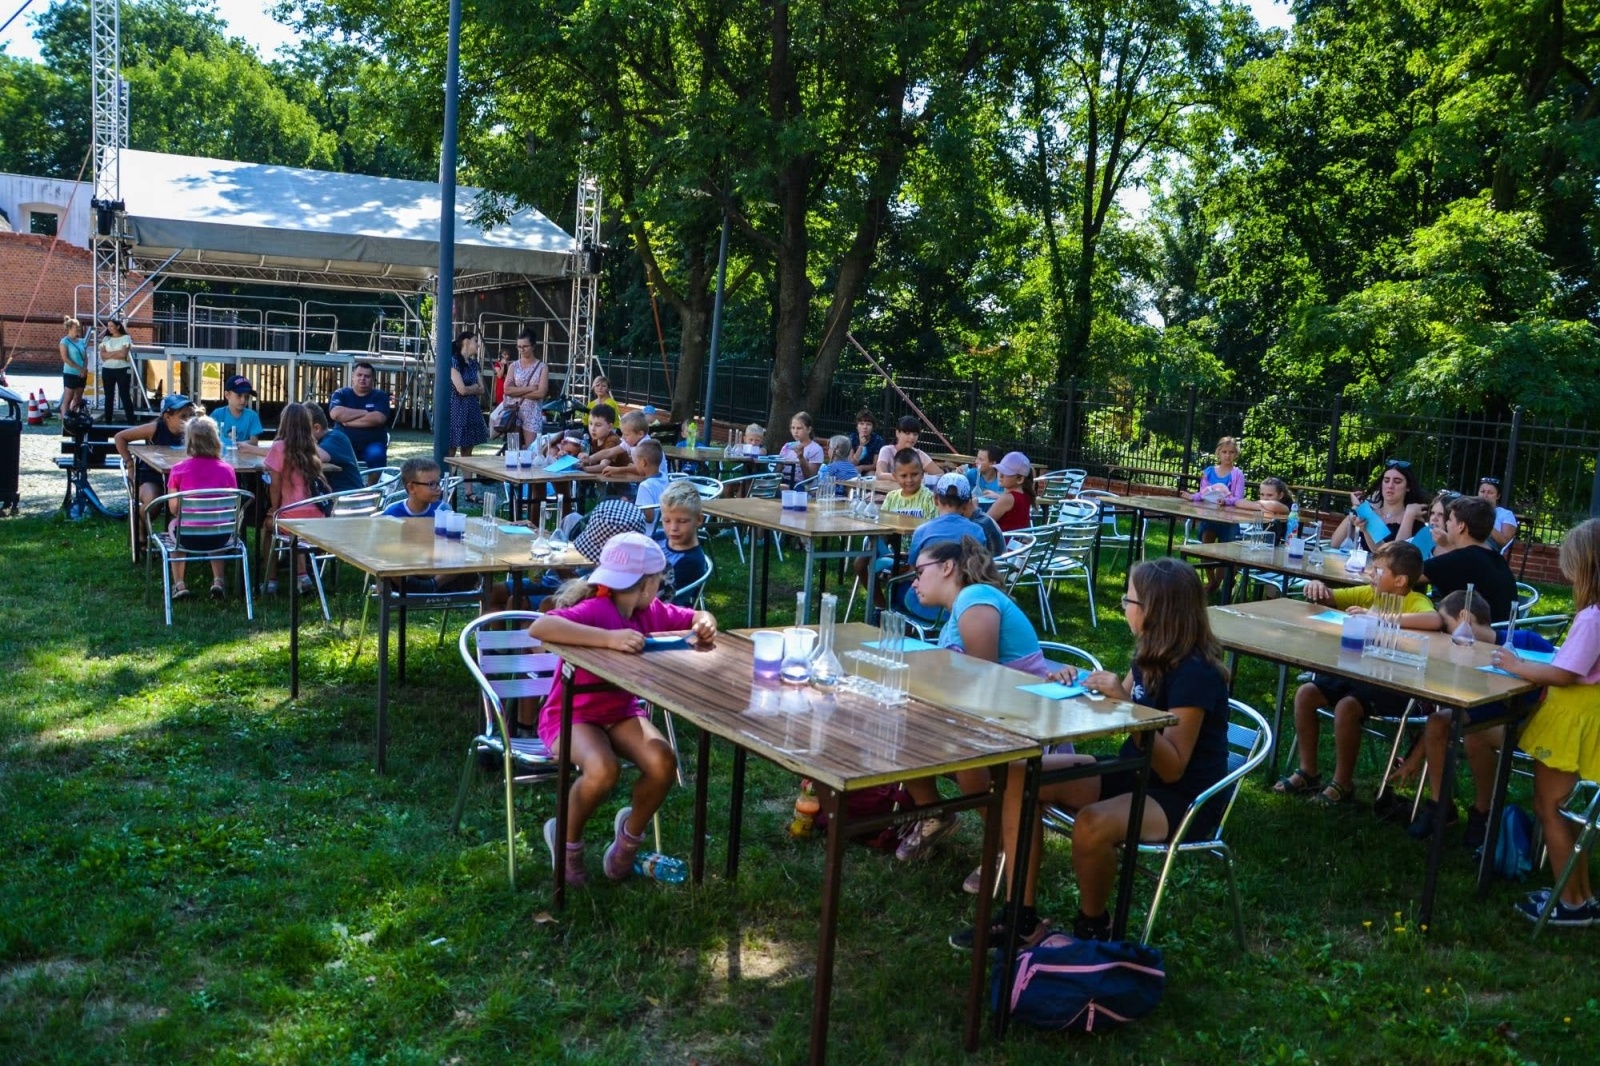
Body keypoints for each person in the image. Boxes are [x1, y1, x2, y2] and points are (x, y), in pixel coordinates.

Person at [949, 556, 1232, 947]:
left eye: (1129, 601)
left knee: (1091, 824)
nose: (1124, 607)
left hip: (1182, 797)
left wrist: (1123, 705)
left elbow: (1174, 768)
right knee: (1017, 774)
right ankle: (1021, 918)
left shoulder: (1195, 672)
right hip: (1134, 768)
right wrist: (1078, 683)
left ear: (1156, 610)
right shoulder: (1150, 653)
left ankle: (1093, 928)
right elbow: (1117, 701)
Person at [526, 533, 715, 884]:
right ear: (645, 585)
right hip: (572, 713)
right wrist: (609, 639)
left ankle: (628, 838)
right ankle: (566, 839)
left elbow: (691, 617)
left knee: (663, 762)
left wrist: (705, 619)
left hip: (620, 711)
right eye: (659, 581)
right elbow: (541, 626)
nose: (660, 588)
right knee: (602, 769)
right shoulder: (597, 608)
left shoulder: (650, 612)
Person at [895, 536, 1053, 865]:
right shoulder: (961, 608)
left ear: (948, 567)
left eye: (920, 570)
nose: (915, 580)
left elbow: (986, 679)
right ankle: (935, 814)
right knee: (899, 729)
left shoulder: (975, 598)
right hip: (998, 710)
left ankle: (1002, 844)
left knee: (964, 759)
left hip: (1023, 717)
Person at [1273, 541, 1441, 807]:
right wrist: (1318, 588)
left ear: (1400, 580)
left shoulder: (1415, 601)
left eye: (1378, 571)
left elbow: (1434, 621)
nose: (1371, 576)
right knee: (1306, 693)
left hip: (1394, 682)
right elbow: (1332, 597)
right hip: (1358, 672)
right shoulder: (1370, 594)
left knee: (1347, 707)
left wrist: (1380, 619)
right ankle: (1309, 771)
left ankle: (1343, 783)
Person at [1496, 518, 1600, 926]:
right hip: (1585, 715)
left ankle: (1571, 904)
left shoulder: (1592, 616)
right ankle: (1579, 894)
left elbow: (1565, 673)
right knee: (1567, 812)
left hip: (1572, 718)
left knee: (1549, 807)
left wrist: (1515, 664)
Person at [1396, 589, 1554, 845]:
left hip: (1531, 722)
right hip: (1488, 712)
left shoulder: (1525, 641)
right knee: (1439, 722)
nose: (1445, 633)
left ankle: (1483, 812)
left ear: (1464, 617)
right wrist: (1414, 756)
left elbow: (1560, 676)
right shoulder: (1455, 653)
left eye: (1446, 625)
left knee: (1474, 736)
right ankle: (1440, 806)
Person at [164, 415, 239, 602]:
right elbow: (231, 503)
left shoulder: (178, 469)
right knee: (217, 521)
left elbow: (174, 508)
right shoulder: (227, 470)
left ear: (188, 441)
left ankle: (179, 584)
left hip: (188, 537)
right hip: (220, 536)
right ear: (215, 439)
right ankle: (218, 580)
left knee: (174, 527)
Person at [263, 402, 327, 596]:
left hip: (291, 515)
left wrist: (275, 508)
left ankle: (271, 581)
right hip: (317, 516)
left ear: (284, 423)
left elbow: (275, 485)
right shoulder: (312, 447)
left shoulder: (279, 447)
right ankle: (302, 576)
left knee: (267, 528)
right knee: (295, 530)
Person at [1421, 495, 1516, 622]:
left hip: (1475, 637)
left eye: (1449, 519)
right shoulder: (1495, 557)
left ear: (1461, 526)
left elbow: (1403, 576)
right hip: (1503, 634)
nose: (1447, 524)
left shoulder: (1460, 560)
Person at [115, 393, 197, 519]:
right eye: (183, 416)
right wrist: (130, 464)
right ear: (167, 417)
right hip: (151, 475)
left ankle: (181, 532)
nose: (188, 420)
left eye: (191, 416)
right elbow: (120, 437)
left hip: (181, 477)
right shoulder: (154, 428)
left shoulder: (193, 429)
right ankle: (140, 526)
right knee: (152, 503)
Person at [1326, 460, 1427, 551]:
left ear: (1408, 487)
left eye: (1397, 481)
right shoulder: (1370, 514)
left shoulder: (1414, 519)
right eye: (1386, 480)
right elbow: (1335, 544)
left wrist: (1408, 515)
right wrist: (1357, 508)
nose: (1390, 486)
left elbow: (1395, 557)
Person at [655, 481, 710, 605]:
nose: (673, 528)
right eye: (666, 520)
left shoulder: (691, 561)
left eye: (682, 521)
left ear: (699, 520)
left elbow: (663, 597)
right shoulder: (659, 538)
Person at [328, 362, 393, 468]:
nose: (362, 378)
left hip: (372, 444)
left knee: (377, 454)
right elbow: (336, 414)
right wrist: (365, 412)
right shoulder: (341, 394)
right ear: (353, 376)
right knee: (326, 452)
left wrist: (347, 422)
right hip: (342, 443)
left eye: (367, 376)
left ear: (373, 380)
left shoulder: (380, 396)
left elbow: (378, 418)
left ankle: (371, 485)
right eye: (359, 375)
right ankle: (338, 484)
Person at [447, 329, 490, 469]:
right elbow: (462, 390)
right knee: (450, 450)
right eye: (475, 341)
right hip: (455, 410)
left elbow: (482, 389)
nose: (478, 345)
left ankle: (468, 489)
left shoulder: (473, 364)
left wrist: (469, 389)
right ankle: (447, 485)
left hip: (470, 410)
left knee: (467, 453)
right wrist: (473, 388)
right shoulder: (453, 362)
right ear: (466, 342)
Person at [1189, 436, 1247, 540]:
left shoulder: (1238, 474)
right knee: (1206, 538)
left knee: (1227, 551)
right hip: (1210, 516)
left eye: (1231, 452)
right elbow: (1203, 493)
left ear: (1236, 454)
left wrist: (1226, 501)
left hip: (1229, 519)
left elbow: (1239, 498)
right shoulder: (1209, 472)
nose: (1227, 455)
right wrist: (1192, 497)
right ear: (1218, 453)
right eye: (1224, 452)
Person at [500, 328, 548, 445]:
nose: (521, 349)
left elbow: (541, 393)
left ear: (533, 346)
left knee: (531, 450)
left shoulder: (542, 367)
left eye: (525, 346)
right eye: (519, 347)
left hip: (533, 414)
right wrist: (530, 389)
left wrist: (516, 391)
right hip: (514, 413)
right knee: (513, 449)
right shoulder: (513, 366)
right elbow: (506, 389)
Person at [306, 403, 364, 493]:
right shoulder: (324, 439)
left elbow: (320, 456)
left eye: (301, 429)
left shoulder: (335, 438)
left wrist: (293, 440)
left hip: (349, 498)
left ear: (316, 428)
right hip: (336, 496)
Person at [875, 416, 942, 476]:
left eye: (915, 434)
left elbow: (939, 474)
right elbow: (880, 474)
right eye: (907, 433)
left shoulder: (919, 455)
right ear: (897, 433)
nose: (912, 437)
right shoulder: (887, 451)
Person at [98, 318, 135, 424]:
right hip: (108, 369)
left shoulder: (125, 338)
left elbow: (123, 354)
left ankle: (130, 421)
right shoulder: (106, 339)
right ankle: (108, 421)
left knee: (125, 395)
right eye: (108, 326)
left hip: (122, 369)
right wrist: (116, 353)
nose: (110, 328)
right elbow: (103, 356)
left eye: (112, 326)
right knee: (108, 396)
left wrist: (110, 354)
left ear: (118, 327)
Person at [213, 375, 265, 452]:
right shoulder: (217, 414)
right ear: (227, 395)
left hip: (245, 459)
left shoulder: (252, 416)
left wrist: (233, 445)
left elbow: (254, 442)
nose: (243, 400)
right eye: (239, 395)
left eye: (247, 396)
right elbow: (209, 439)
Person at [986, 451, 1035, 533]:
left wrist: (974, 510)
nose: (1000, 475)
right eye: (999, 470)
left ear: (1020, 479)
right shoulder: (1026, 495)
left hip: (1003, 544)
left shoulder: (1007, 499)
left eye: (1006, 472)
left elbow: (984, 523)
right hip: (1016, 543)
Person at [1238, 476, 1293, 543]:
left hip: (1279, 542)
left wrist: (1258, 503)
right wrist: (1260, 508)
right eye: (1262, 494)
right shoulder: (1262, 505)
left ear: (1281, 495)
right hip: (1258, 538)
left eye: (1269, 495)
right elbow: (1238, 502)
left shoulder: (1289, 505)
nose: (1265, 498)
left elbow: (1273, 506)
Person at [777, 411, 825, 484]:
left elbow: (809, 478)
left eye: (799, 428)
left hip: (801, 485)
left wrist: (801, 458)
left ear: (808, 429)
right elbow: (777, 471)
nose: (795, 431)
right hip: (782, 481)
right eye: (793, 428)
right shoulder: (787, 446)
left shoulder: (816, 449)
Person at [59, 316, 88, 416]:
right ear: (70, 328)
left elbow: (85, 357)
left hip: (82, 374)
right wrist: (79, 369)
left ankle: (74, 417)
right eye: (76, 327)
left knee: (78, 399)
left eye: (79, 327)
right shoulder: (64, 341)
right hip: (70, 372)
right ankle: (65, 422)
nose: (78, 329)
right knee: (68, 399)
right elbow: (65, 358)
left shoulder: (81, 341)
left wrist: (84, 369)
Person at [1477, 477, 1518, 549]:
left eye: (1490, 493)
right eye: (1482, 491)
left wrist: (1486, 523)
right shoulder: (1469, 510)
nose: (1485, 495)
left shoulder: (1506, 514)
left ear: (1498, 496)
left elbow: (1504, 541)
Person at [849, 409, 884, 474]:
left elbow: (875, 465)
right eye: (861, 424)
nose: (865, 427)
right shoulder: (852, 438)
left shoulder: (878, 440)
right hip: (852, 470)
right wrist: (861, 446)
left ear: (873, 427)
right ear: (857, 426)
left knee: (872, 474)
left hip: (868, 471)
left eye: (868, 424)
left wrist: (862, 467)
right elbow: (851, 464)